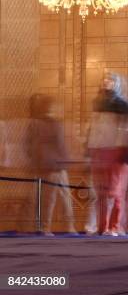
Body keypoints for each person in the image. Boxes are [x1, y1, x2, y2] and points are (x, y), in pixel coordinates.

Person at [86, 73, 128, 236]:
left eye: (111, 80)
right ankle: (102, 227)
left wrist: (126, 148)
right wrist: (89, 146)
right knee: (101, 191)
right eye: (105, 79)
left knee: (115, 191)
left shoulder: (123, 104)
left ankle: (114, 227)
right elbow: (93, 126)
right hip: (98, 149)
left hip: (116, 150)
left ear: (117, 83)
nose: (107, 82)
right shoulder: (97, 102)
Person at [26, 94, 76, 236]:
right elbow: (61, 145)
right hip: (57, 165)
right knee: (63, 197)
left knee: (48, 198)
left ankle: (45, 227)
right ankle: (69, 227)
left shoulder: (34, 123)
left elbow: (29, 146)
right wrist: (66, 160)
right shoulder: (54, 123)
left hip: (45, 165)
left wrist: (36, 161)